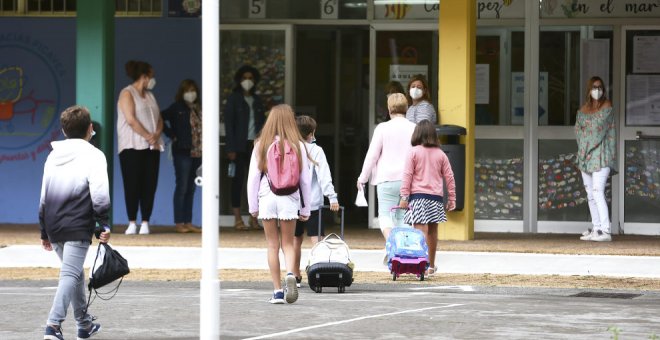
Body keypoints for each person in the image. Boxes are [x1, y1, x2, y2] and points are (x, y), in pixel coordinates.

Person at [39, 105, 112, 340]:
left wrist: (43, 232)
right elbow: (99, 194)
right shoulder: (94, 155)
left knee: (75, 272)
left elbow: (44, 196)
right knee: (70, 274)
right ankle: (53, 325)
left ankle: (84, 323)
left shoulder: (52, 156)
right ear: (91, 129)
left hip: (53, 224)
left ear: (63, 130)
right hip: (78, 224)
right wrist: (103, 225)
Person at [246, 104, 312, 304]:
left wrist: (253, 206)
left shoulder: (261, 144)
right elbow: (305, 180)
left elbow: (253, 178)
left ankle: (277, 291)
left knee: (272, 245)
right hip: (290, 199)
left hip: (267, 198)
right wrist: (306, 207)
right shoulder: (298, 145)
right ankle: (291, 274)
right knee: (288, 243)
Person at [357, 93, 416, 261]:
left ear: (389, 109)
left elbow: (372, 156)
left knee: (385, 215)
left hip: (386, 179)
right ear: (407, 108)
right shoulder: (414, 127)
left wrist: (362, 178)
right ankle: (402, 249)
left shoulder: (382, 128)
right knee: (404, 217)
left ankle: (392, 245)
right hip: (408, 180)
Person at [399, 119, 456, 276]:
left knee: (419, 231)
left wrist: (404, 196)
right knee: (432, 232)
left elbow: (407, 175)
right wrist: (452, 198)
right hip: (435, 199)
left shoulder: (413, 152)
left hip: (417, 197)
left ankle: (419, 264)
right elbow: (449, 177)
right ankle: (430, 265)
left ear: (417, 134)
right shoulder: (441, 154)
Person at [117, 60, 164, 235]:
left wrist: (156, 135)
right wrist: (147, 136)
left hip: (152, 147)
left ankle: (145, 221)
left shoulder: (150, 95)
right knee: (132, 184)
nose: (152, 79)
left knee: (149, 184)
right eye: (150, 76)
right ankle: (131, 222)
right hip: (131, 147)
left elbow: (159, 118)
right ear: (144, 76)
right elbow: (130, 119)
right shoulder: (127, 93)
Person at [292, 115, 340, 288]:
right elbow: (324, 176)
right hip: (313, 203)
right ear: (311, 133)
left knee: (295, 240)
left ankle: (294, 274)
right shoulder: (316, 150)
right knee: (317, 240)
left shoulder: (290, 148)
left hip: (292, 203)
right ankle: (317, 273)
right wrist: (332, 197)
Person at [225, 64, 266, 230]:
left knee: (257, 180)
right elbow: (229, 125)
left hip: (255, 145)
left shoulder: (257, 100)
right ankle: (237, 218)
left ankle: (253, 218)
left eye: (250, 78)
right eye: (244, 78)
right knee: (238, 181)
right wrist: (230, 148)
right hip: (238, 146)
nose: (247, 81)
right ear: (239, 80)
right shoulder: (234, 99)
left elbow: (263, 124)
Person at [575, 76, 616, 242]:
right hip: (585, 157)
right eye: (594, 87)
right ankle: (597, 228)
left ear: (603, 89)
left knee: (598, 191)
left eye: (599, 87)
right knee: (590, 194)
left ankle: (606, 230)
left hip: (601, 156)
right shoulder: (583, 109)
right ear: (589, 89)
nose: (597, 90)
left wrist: (586, 134)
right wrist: (585, 137)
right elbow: (578, 130)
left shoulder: (607, 106)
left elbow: (597, 131)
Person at [161, 79, 203, 233]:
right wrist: (172, 135)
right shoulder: (176, 107)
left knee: (192, 188)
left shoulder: (198, 108)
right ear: (182, 92)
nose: (190, 93)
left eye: (193, 90)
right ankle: (179, 222)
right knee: (182, 186)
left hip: (198, 152)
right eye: (187, 90)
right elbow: (160, 117)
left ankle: (188, 221)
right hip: (183, 152)